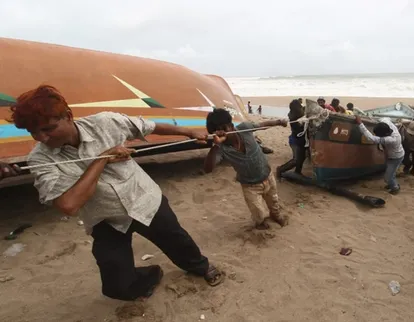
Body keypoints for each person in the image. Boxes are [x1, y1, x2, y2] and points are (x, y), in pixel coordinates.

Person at [7, 85, 224, 301]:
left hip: (143, 199)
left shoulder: (105, 123)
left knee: (178, 241)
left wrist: (189, 131)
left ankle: (201, 267)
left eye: (48, 128)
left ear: (68, 116)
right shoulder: (40, 159)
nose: (41, 137)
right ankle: (151, 274)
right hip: (105, 219)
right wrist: (102, 159)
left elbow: (148, 126)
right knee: (116, 287)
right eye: (32, 132)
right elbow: (69, 205)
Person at [203, 108, 289, 230]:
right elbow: (208, 169)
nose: (221, 133)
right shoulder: (221, 148)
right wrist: (215, 145)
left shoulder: (244, 128)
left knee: (274, 202)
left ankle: (275, 216)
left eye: (223, 129)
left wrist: (279, 122)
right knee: (258, 213)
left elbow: (262, 125)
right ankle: (260, 223)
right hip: (250, 186)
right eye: (217, 131)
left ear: (231, 126)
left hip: (268, 176)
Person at [355, 116, 405, 194]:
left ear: (385, 135)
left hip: (396, 158)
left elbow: (371, 138)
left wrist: (360, 124)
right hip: (391, 155)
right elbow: (386, 118)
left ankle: (395, 187)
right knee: (391, 172)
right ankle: (391, 182)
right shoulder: (387, 122)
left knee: (387, 177)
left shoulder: (392, 139)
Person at [276, 99, 307, 176]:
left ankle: (297, 172)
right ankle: (280, 170)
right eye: (299, 107)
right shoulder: (293, 118)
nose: (301, 108)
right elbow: (300, 128)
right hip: (295, 142)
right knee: (296, 160)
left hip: (301, 141)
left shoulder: (299, 113)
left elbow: (305, 109)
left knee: (303, 157)